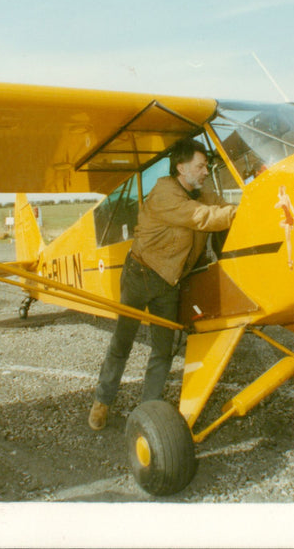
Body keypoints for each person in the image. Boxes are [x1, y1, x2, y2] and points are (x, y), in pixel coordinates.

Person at [88, 138, 236, 430]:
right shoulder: (165, 193)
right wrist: (238, 212)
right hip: (139, 276)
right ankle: (102, 402)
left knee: (162, 351)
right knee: (122, 342)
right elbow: (203, 217)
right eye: (201, 166)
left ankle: (148, 412)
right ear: (181, 167)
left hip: (169, 283)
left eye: (207, 166)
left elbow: (222, 206)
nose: (206, 171)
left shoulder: (202, 193)